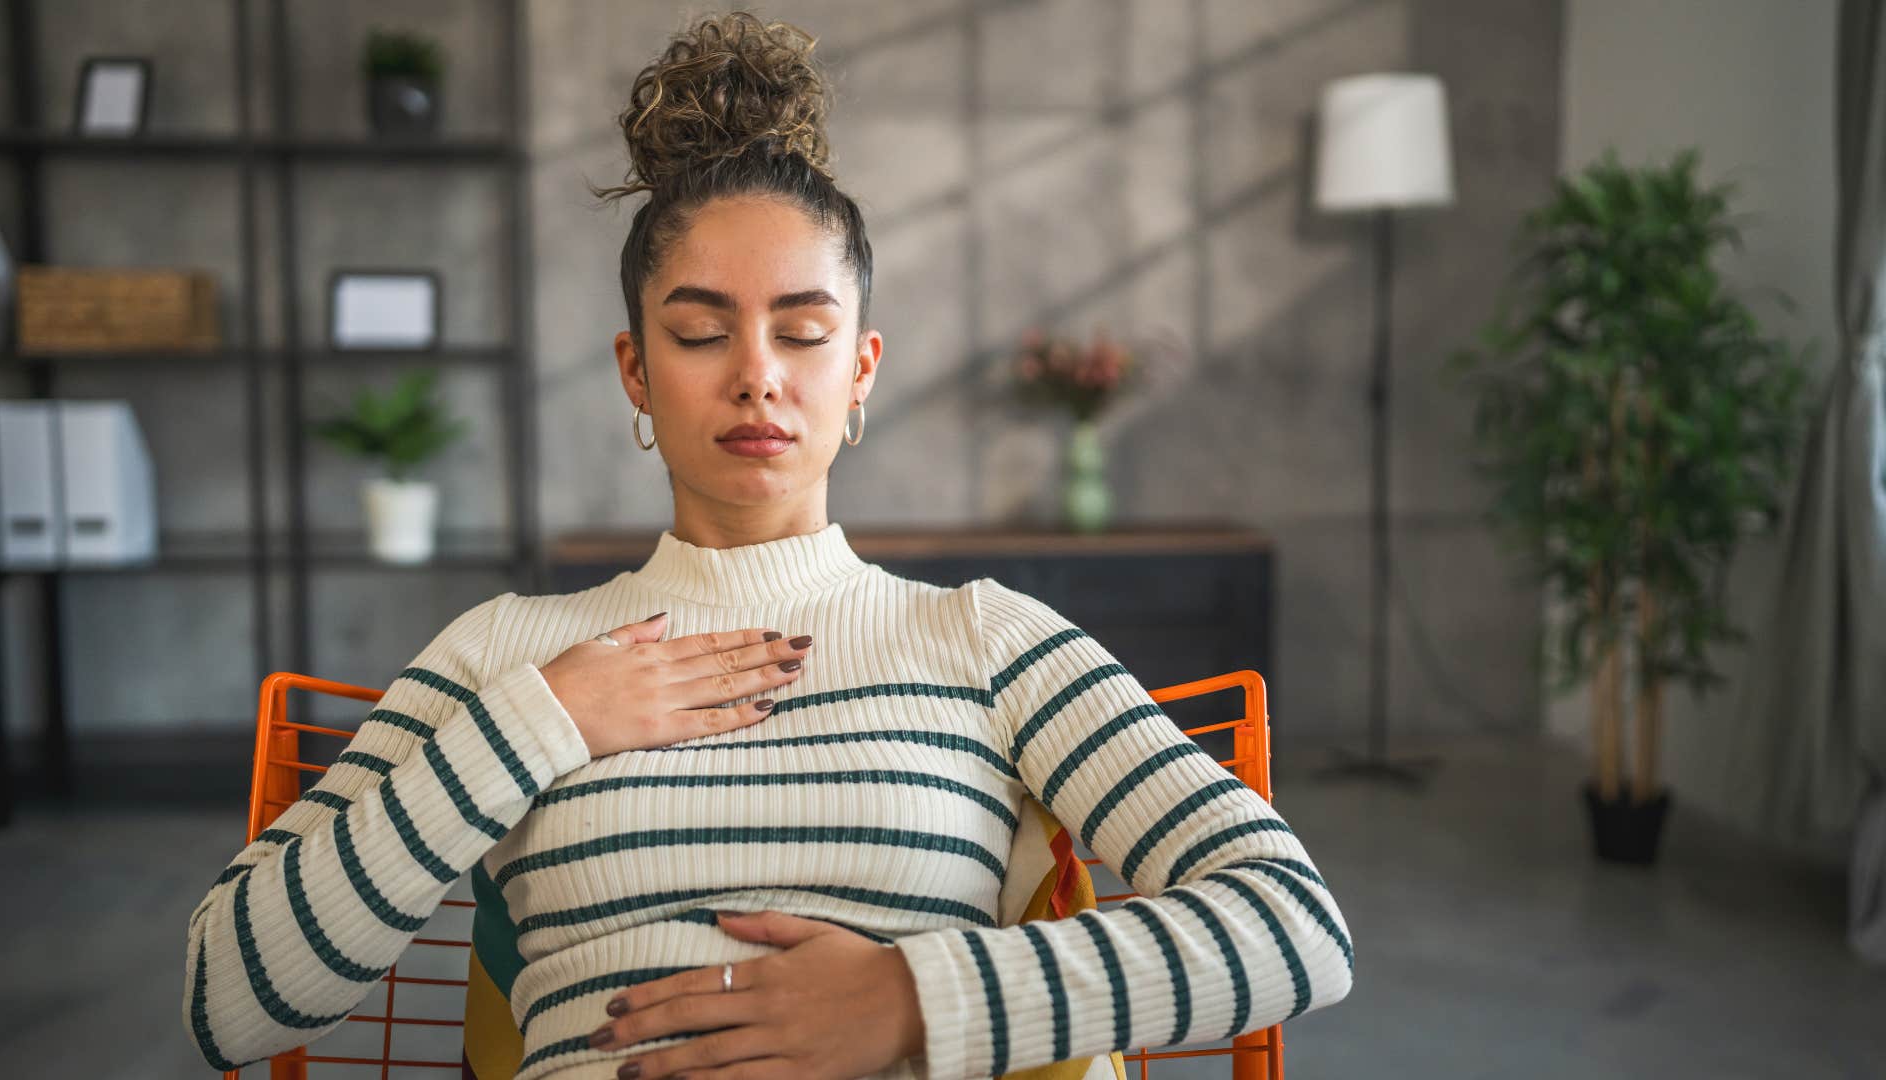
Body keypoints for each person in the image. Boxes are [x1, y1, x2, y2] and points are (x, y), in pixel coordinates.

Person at [180, 12, 1354, 1080]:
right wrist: (539, 724)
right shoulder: (514, 650)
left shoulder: (985, 640)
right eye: (699, 332)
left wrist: (912, 999)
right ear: (635, 370)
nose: (757, 376)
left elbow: (1294, 922)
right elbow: (227, 998)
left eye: (803, 332)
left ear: (860, 375)